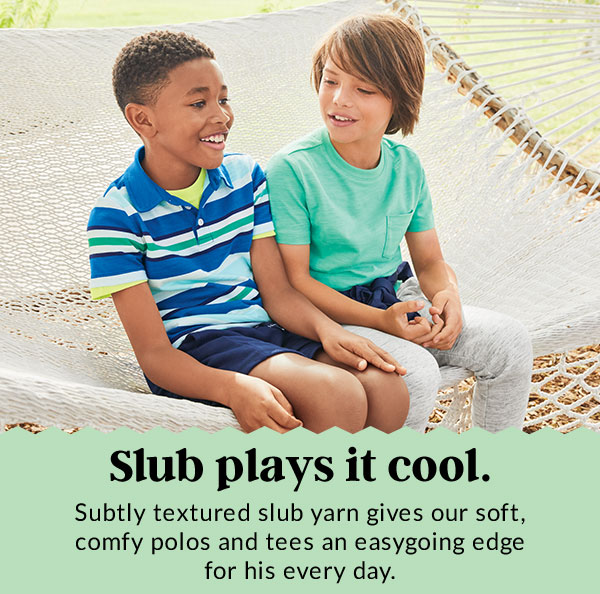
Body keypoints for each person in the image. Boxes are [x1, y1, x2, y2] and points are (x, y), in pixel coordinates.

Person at [87, 30, 410, 434]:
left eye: (223, 100)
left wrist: (328, 331)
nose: (221, 116)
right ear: (143, 119)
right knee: (336, 394)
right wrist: (232, 388)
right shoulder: (116, 216)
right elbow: (154, 356)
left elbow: (278, 293)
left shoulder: (245, 178)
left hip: (267, 332)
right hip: (197, 351)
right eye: (199, 103)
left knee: (387, 389)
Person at [266, 14, 533, 433]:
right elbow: (295, 281)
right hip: (331, 317)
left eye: (364, 89)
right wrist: (381, 321)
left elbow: (429, 262)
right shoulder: (293, 169)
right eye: (330, 80)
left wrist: (447, 295)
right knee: (413, 377)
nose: (339, 99)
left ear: (400, 98)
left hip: (397, 301)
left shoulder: (406, 166)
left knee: (510, 342)